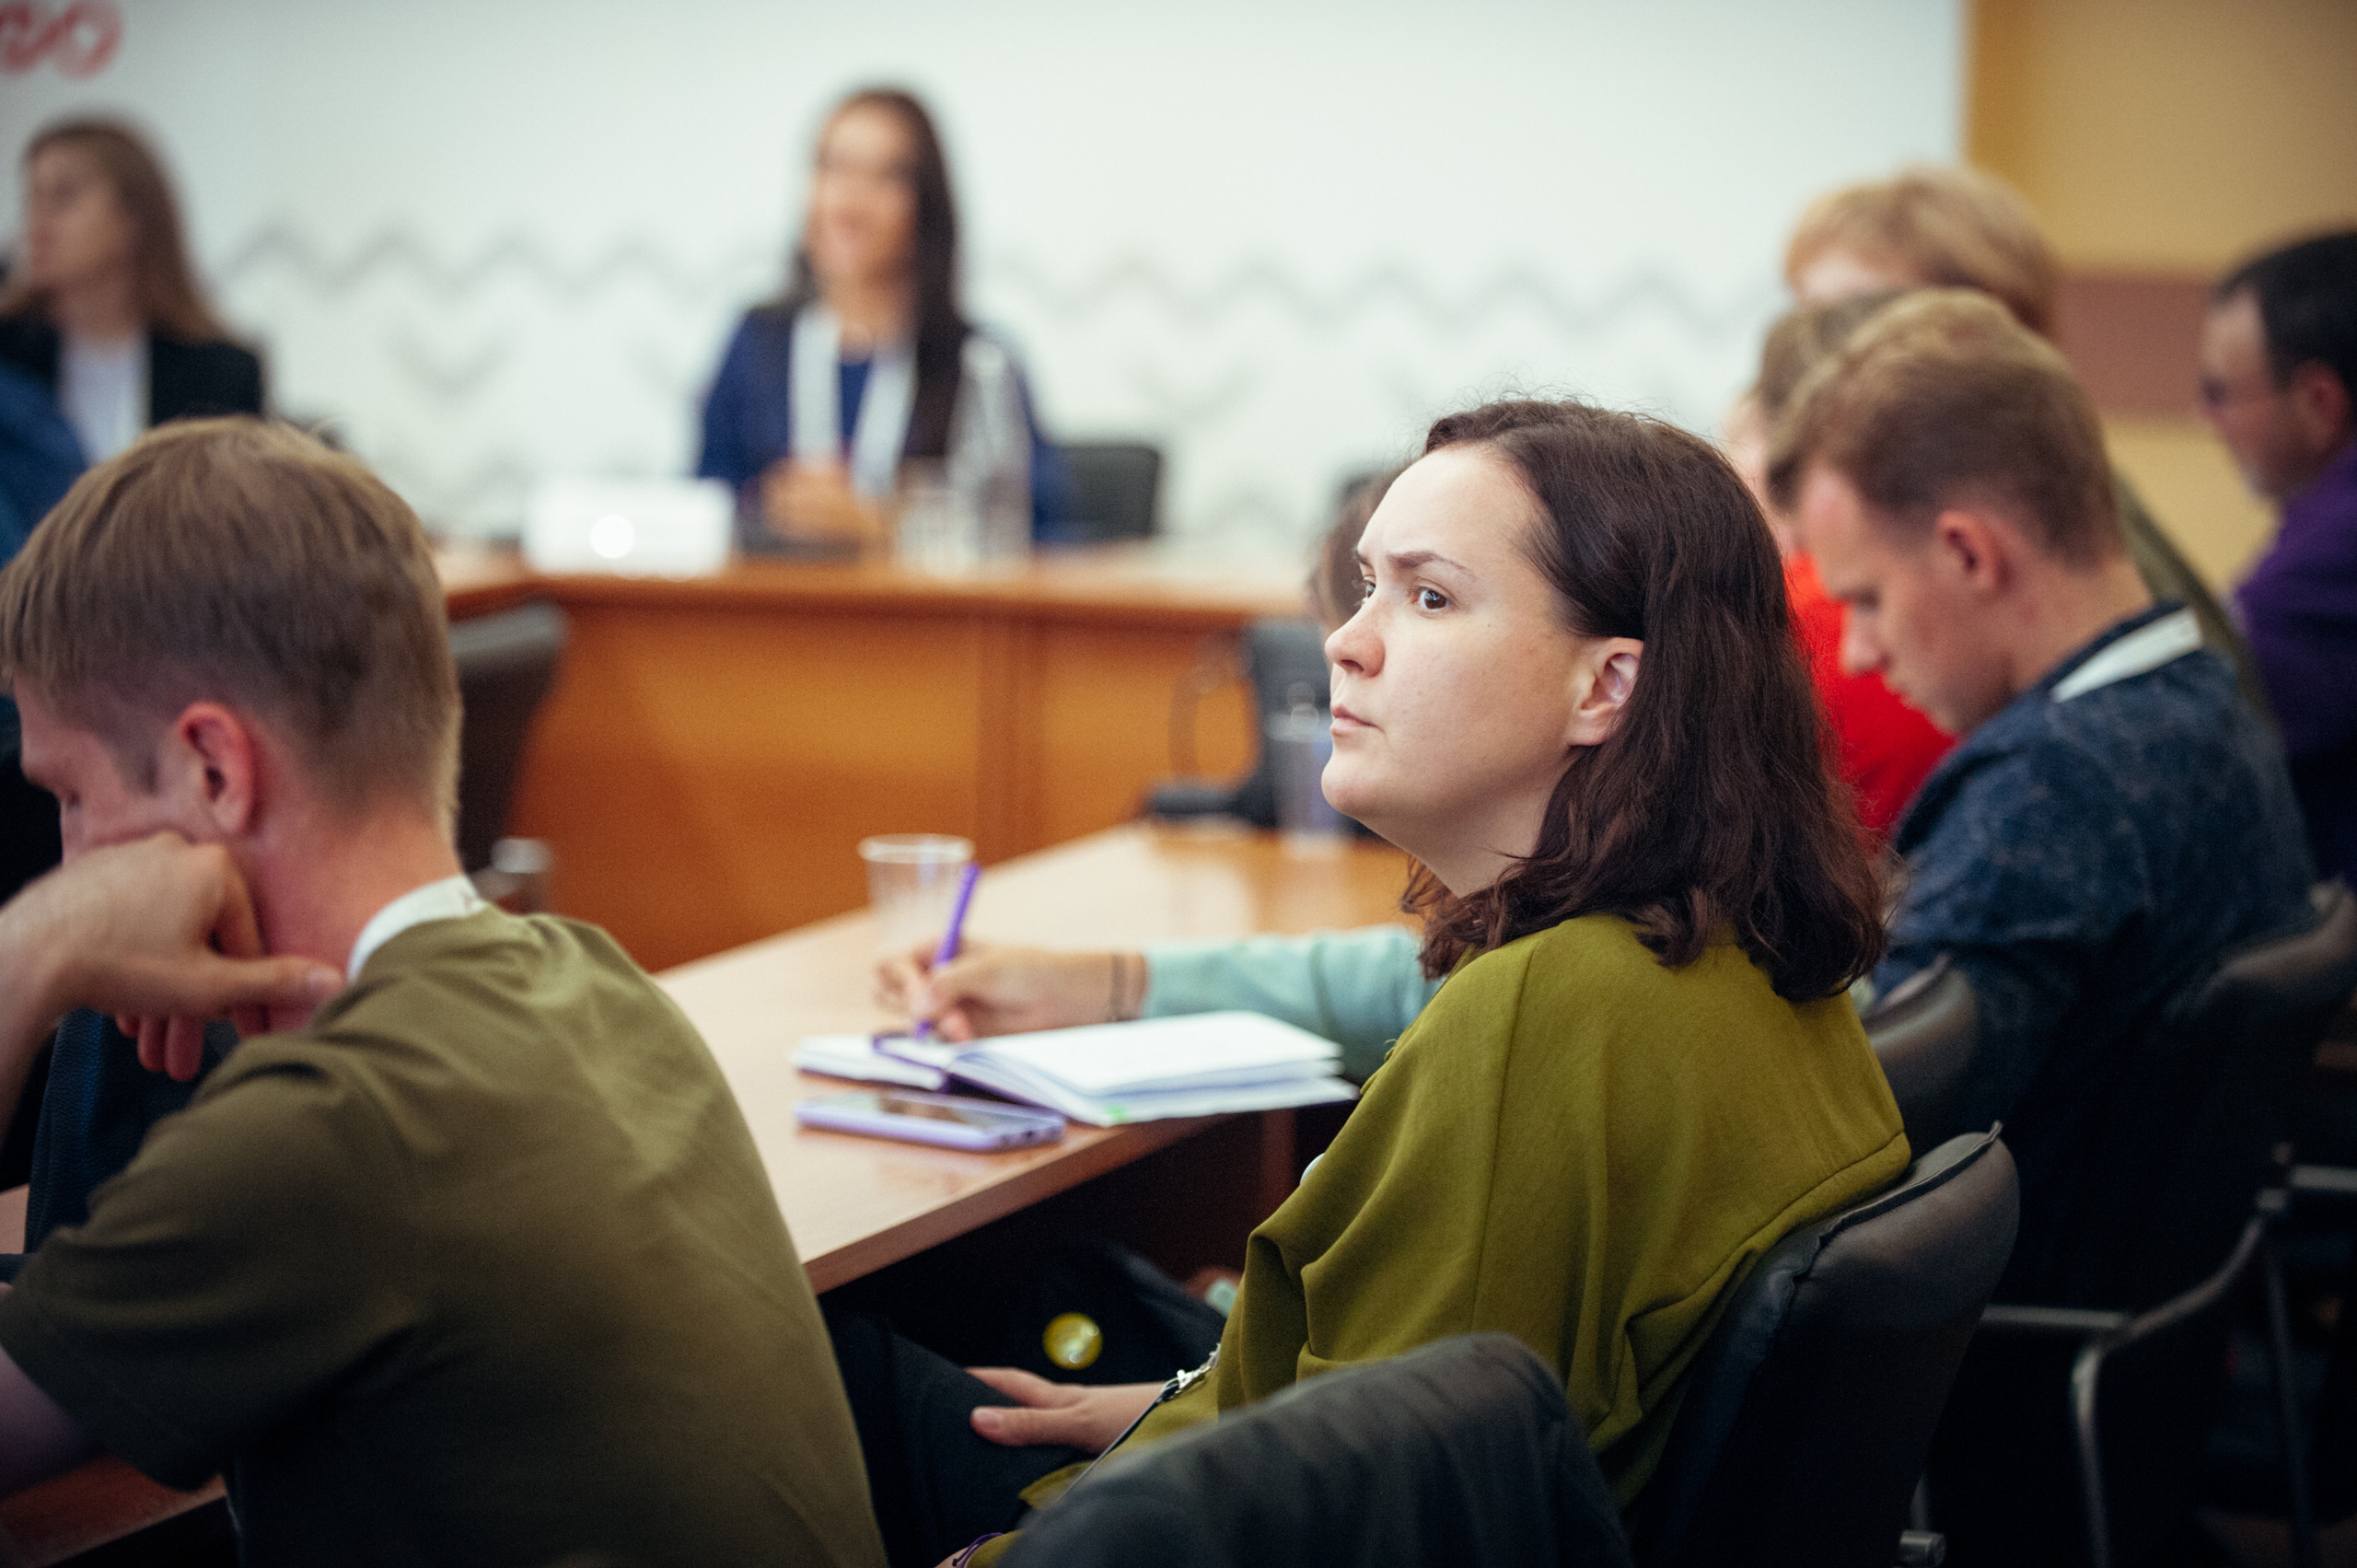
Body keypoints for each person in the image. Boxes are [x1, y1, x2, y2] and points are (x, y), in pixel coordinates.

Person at [848, 398, 1910, 1568]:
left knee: (842, 1357)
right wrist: (1188, 1403)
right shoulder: (1757, 957)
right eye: (1366, 586)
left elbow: (1364, 1514)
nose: (1346, 642)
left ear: (1604, 687)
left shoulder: (1547, 1009)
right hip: (1229, 1477)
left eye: (1429, 597)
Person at [0, 420, 885, 1568]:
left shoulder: (326, 1129)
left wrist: (27, 955)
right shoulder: (595, 978)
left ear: (214, 769)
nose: (70, 864)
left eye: (70, 797)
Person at [1781, 163, 2270, 716]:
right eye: (1801, 317)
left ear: (1980, 330)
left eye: (1853, 321)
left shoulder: (2068, 535)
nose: (1810, 360)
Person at [697, 88, 1071, 552]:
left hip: (921, 602)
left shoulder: (979, 362)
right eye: (833, 169)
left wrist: (888, 526)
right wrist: (770, 512)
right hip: (772, 598)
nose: (849, 203)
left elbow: (1038, 536)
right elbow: (702, 508)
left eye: (884, 177)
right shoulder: (757, 343)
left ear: (927, 206)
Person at [2200, 230, 2357, 885]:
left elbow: (2189, 743)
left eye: (2220, 392)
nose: (2209, 419)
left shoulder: (2327, 559)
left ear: (2319, 402)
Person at [0, 119, 264, 464]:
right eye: (33, 199)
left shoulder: (221, 372)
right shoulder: (8, 353)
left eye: (63, 198)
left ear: (132, 218)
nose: (37, 224)